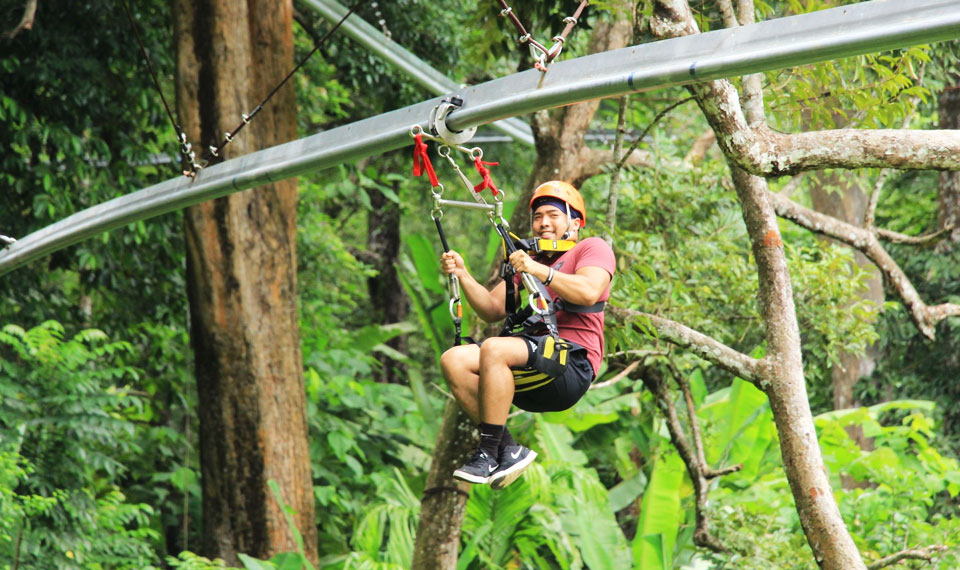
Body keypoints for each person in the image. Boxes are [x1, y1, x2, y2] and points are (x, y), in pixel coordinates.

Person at [440, 180, 615, 489]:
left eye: (553, 215)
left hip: (571, 365)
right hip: (535, 364)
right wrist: (463, 275)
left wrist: (539, 271)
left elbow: (589, 291)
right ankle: (507, 448)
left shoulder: (592, 249)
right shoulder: (530, 260)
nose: (543, 222)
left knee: (495, 347)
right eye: (537, 217)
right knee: (454, 359)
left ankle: (486, 451)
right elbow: (493, 309)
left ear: (574, 223)